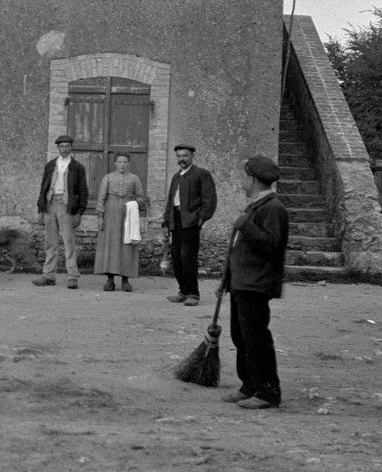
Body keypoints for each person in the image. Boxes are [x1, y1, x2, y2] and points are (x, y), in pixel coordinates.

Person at [221, 156, 290, 409]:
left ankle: (268, 392)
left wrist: (245, 225)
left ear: (252, 179)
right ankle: (249, 385)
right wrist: (227, 281)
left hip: (256, 284)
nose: (241, 181)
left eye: (243, 176)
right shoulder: (257, 206)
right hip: (242, 283)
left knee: (256, 338)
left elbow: (271, 245)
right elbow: (241, 249)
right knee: (241, 337)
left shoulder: (274, 208)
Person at [162, 142, 218, 306]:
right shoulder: (176, 177)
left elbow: (210, 199)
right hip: (176, 220)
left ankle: (193, 294)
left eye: (185, 156)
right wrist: (167, 219)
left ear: (193, 156)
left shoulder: (201, 174)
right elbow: (171, 201)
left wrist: (201, 219)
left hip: (191, 222)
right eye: (179, 156)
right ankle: (183, 291)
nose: (182, 159)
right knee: (177, 257)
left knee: (188, 258)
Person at [33, 134, 89, 288]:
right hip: (50, 203)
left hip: (67, 205)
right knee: (50, 241)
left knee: (68, 241)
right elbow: (43, 187)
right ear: (57, 148)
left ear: (71, 148)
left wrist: (79, 213)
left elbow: (83, 191)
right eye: (61, 146)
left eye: (67, 146)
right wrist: (40, 209)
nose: (64, 149)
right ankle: (48, 275)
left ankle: (72, 276)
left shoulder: (77, 167)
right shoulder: (50, 165)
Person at [93, 152, 149, 291]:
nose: (122, 165)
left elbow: (142, 198)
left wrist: (133, 203)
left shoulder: (134, 179)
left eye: (125, 162)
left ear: (129, 164)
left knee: (127, 244)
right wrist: (100, 217)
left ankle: (125, 280)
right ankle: (110, 280)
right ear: (115, 163)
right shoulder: (108, 178)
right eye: (120, 162)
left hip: (128, 215)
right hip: (110, 213)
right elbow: (101, 198)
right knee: (110, 245)